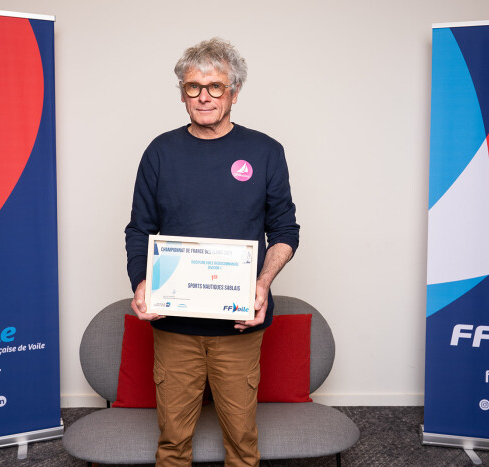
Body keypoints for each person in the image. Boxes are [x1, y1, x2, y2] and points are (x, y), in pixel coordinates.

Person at [124, 37, 299, 466]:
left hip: (239, 323)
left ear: (234, 92)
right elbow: (139, 230)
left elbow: (284, 231)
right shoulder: (160, 152)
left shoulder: (265, 152)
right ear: (182, 93)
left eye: (215, 86)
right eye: (193, 87)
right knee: (172, 444)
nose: (204, 97)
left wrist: (262, 284)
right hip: (174, 324)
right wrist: (142, 282)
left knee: (241, 444)